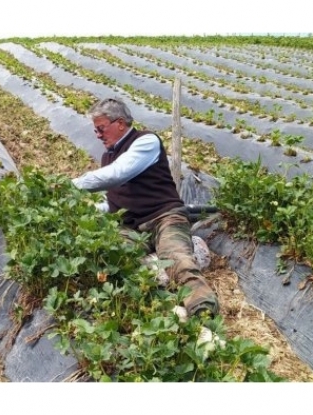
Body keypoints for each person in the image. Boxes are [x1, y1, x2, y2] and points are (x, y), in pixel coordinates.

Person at [72, 97, 219, 319]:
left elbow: (118, 173)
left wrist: (68, 187)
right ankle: (160, 308)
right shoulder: (107, 157)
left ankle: (202, 311)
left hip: (164, 217)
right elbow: (113, 200)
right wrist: (85, 210)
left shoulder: (145, 142)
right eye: (96, 131)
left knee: (177, 258)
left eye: (101, 129)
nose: (99, 135)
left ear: (120, 123)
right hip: (130, 227)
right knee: (114, 264)